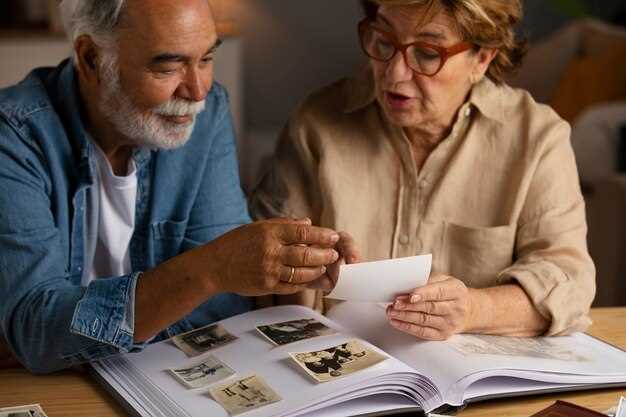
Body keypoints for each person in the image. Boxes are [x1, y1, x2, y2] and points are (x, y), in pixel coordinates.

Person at [0, 0, 356, 374]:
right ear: (91, 59)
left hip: (151, 384)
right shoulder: (14, 135)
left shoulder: (207, 112)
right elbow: (37, 332)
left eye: (205, 59)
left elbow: (223, 308)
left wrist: (69, 338)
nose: (198, 90)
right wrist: (210, 269)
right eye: (168, 66)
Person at [250, 0, 595, 340]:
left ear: (482, 57)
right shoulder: (316, 124)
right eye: (384, 42)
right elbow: (258, 278)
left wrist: (474, 309)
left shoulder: (537, 139)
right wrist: (299, 272)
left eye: (427, 53)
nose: (395, 73)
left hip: (472, 383)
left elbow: (569, 283)